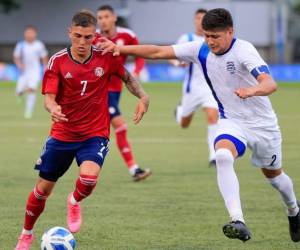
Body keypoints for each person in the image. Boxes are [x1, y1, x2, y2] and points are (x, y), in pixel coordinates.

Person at [98, 8, 300, 242]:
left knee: (275, 178)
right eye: (207, 36)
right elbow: (157, 51)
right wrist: (119, 48)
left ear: (230, 32)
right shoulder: (200, 49)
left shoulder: (244, 50)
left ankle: (294, 211)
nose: (210, 42)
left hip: (263, 126)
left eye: (216, 36)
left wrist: (251, 90)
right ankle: (238, 220)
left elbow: (270, 84)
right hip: (231, 121)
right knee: (223, 155)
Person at [15, 10, 149, 250]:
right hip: (62, 135)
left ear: (94, 35)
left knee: (88, 178)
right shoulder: (57, 61)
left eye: (88, 37)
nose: (82, 42)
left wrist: (143, 96)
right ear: (70, 33)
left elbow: (127, 77)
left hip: (94, 133)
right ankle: (26, 234)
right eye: (78, 36)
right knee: (42, 190)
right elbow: (48, 98)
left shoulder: (105, 57)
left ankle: (74, 200)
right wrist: (53, 108)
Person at [94, 5, 151, 181]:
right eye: (100, 17)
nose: (103, 20)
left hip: (116, 89)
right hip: (98, 90)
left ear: (114, 18)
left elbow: (139, 54)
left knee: (95, 130)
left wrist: (138, 70)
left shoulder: (127, 35)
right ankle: (134, 169)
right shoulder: (93, 38)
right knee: (120, 126)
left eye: (106, 16)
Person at [170, 8, 218, 166]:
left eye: (203, 18)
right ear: (194, 20)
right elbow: (171, 55)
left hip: (210, 88)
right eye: (197, 18)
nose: (200, 20)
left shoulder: (213, 39)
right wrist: (178, 62)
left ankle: (213, 156)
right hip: (192, 89)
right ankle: (179, 112)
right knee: (184, 124)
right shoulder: (187, 38)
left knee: (212, 116)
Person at [13, 25, 48, 119]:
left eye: (31, 33)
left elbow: (44, 56)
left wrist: (45, 67)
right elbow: (16, 57)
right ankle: (20, 93)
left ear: (35, 34)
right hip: (24, 72)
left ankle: (28, 112)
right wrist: (19, 64)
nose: (29, 34)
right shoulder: (20, 45)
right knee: (19, 90)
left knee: (32, 90)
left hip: (35, 71)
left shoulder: (39, 45)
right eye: (28, 32)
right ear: (25, 34)